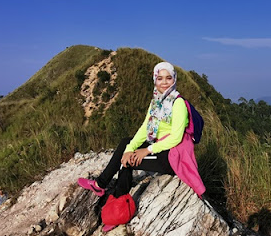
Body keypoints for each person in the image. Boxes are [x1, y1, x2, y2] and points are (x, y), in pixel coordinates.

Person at [78, 62, 206, 227]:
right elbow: (145, 128)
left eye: (168, 78)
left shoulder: (178, 103)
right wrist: (129, 149)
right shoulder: (156, 102)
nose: (164, 82)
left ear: (174, 79)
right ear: (155, 80)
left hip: (172, 155)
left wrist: (146, 150)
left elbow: (176, 137)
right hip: (161, 144)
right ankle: (101, 185)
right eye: (160, 78)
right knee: (126, 144)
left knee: (129, 162)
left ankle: (118, 212)